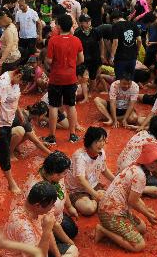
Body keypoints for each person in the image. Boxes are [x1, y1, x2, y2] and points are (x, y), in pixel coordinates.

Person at [94, 142, 157, 252]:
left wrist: (146, 211)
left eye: (156, 160)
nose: (154, 164)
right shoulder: (140, 175)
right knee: (139, 245)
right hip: (111, 213)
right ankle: (103, 230)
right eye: (151, 159)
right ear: (144, 157)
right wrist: (147, 214)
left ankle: (108, 227)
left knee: (142, 228)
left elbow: (134, 197)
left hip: (111, 209)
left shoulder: (135, 166)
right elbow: (133, 201)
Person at [1, 181, 78, 257]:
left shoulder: (30, 205)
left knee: (73, 250)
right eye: (51, 205)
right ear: (38, 206)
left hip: (36, 251)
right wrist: (47, 230)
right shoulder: (24, 228)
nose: (53, 207)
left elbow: (49, 235)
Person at [0, 65, 31, 193]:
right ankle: (11, 183)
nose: (20, 84)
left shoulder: (14, 80)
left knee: (0, 148)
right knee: (4, 153)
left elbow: (13, 99)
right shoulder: (3, 84)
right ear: (18, 75)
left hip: (7, 121)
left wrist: (19, 112)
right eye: (21, 82)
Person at [45, 14, 84, 144]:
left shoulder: (53, 40)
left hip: (56, 78)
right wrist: (72, 66)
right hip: (71, 78)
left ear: (59, 26)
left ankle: (51, 137)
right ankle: (72, 135)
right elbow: (81, 59)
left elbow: (49, 60)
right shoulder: (76, 40)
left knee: (54, 106)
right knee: (71, 106)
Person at [65, 127, 114, 216]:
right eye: (98, 141)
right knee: (89, 209)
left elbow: (105, 170)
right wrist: (96, 195)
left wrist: (117, 181)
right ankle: (95, 200)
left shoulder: (101, 152)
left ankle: (95, 200)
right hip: (77, 190)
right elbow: (81, 179)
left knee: (112, 202)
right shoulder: (80, 156)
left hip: (93, 185)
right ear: (89, 142)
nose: (102, 144)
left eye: (103, 140)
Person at [109, 9, 141, 79]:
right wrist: (137, 51)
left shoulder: (116, 26)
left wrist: (112, 57)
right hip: (132, 57)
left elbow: (115, 42)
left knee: (119, 79)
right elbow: (139, 40)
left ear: (114, 19)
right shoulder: (133, 24)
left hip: (120, 58)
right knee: (130, 79)